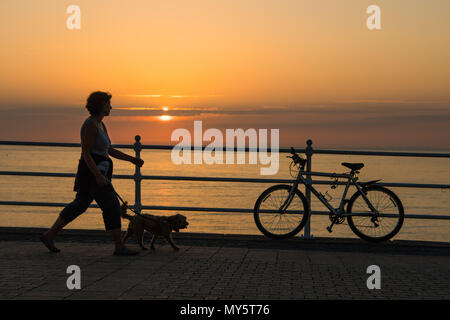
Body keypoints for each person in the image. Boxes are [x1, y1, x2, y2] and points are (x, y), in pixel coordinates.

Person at [40, 91, 144, 255]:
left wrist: (132, 159)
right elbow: (86, 153)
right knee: (112, 205)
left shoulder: (101, 125)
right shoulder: (89, 125)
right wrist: (98, 175)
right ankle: (119, 246)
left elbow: (108, 150)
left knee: (80, 204)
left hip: (99, 170)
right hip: (92, 172)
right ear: (101, 105)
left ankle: (49, 235)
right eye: (108, 103)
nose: (111, 106)